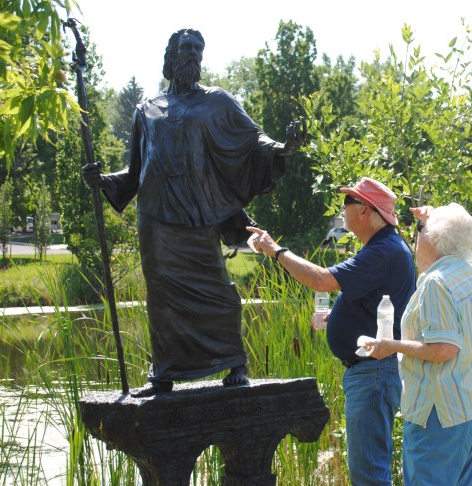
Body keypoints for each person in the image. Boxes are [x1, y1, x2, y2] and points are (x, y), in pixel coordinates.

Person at [82, 28, 306, 397]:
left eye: (197, 49)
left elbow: (254, 141)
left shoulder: (217, 101)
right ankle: (163, 372)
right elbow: (137, 172)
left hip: (199, 214)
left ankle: (234, 363)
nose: (192, 55)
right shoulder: (145, 110)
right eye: (185, 48)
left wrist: (284, 147)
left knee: (216, 289)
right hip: (155, 217)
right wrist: (103, 180)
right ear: (171, 56)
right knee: (162, 294)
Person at [247, 177, 416, 485]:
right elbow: (364, 299)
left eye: (346, 204)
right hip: (373, 371)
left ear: (365, 210)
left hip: (373, 372)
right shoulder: (384, 247)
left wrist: (276, 250)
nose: (342, 210)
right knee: (369, 470)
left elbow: (321, 280)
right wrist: (333, 317)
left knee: (369, 475)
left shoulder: (383, 250)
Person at [363, 203, 472, 486]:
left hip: (441, 413)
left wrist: (392, 345)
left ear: (434, 239)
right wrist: (432, 220)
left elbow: (444, 350)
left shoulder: (436, 283)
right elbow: (456, 230)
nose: (415, 236)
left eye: (420, 230)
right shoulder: (469, 269)